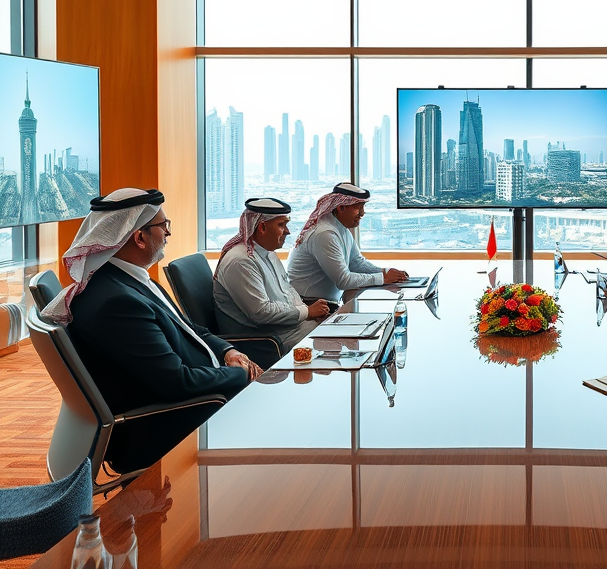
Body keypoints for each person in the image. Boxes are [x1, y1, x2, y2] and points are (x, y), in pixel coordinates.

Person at [43, 188, 259, 474]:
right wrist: (241, 374)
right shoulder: (117, 303)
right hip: (165, 421)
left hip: (191, 394)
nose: (168, 233)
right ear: (140, 237)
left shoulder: (128, 279)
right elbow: (177, 382)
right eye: (163, 226)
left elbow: (189, 329)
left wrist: (228, 351)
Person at [213, 197, 332, 351]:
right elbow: (262, 312)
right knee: (335, 343)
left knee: (342, 332)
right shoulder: (241, 261)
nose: (288, 232)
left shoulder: (266, 252)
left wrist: (310, 313)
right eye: (281, 225)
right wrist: (307, 312)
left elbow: (287, 291)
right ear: (262, 227)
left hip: (288, 327)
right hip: (268, 339)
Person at [288, 183, 409, 302]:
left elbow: (357, 263)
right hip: (308, 305)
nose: (362, 213)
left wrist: (385, 272)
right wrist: (382, 278)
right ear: (341, 208)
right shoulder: (324, 234)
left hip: (326, 303)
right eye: (359, 208)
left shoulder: (340, 229)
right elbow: (343, 281)